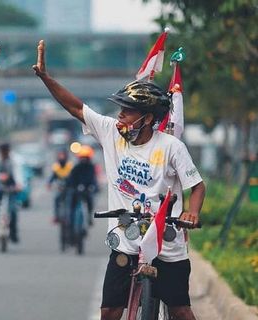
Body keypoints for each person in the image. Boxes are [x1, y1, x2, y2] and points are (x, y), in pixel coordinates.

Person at [33, 40, 205, 320]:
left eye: (127, 111)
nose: (120, 116)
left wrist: (192, 212)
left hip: (167, 242)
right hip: (127, 240)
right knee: (110, 311)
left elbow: (196, 186)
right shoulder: (111, 132)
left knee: (181, 310)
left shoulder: (172, 146)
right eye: (120, 110)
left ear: (148, 118)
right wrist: (45, 78)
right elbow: (75, 107)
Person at [0, 143, 23, 243]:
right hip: (0, 186)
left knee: (13, 211)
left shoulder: (14, 161)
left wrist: (19, 185)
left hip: (11, 188)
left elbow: (18, 173)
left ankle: (13, 233)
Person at [65, 145, 98, 226]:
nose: (84, 160)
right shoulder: (76, 168)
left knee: (90, 200)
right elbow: (71, 179)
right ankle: (71, 220)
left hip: (86, 190)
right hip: (76, 190)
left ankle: (89, 216)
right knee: (71, 202)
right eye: (82, 157)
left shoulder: (91, 167)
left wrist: (93, 187)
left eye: (85, 158)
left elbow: (93, 179)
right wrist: (73, 186)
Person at [46, 149, 73, 223]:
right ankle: (56, 216)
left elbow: (73, 177)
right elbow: (53, 176)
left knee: (69, 202)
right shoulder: (56, 166)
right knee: (56, 199)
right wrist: (49, 183)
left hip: (69, 188)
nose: (61, 157)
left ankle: (70, 217)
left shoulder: (70, 166)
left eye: (63, 155)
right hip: (60, 187)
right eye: (60, 155)